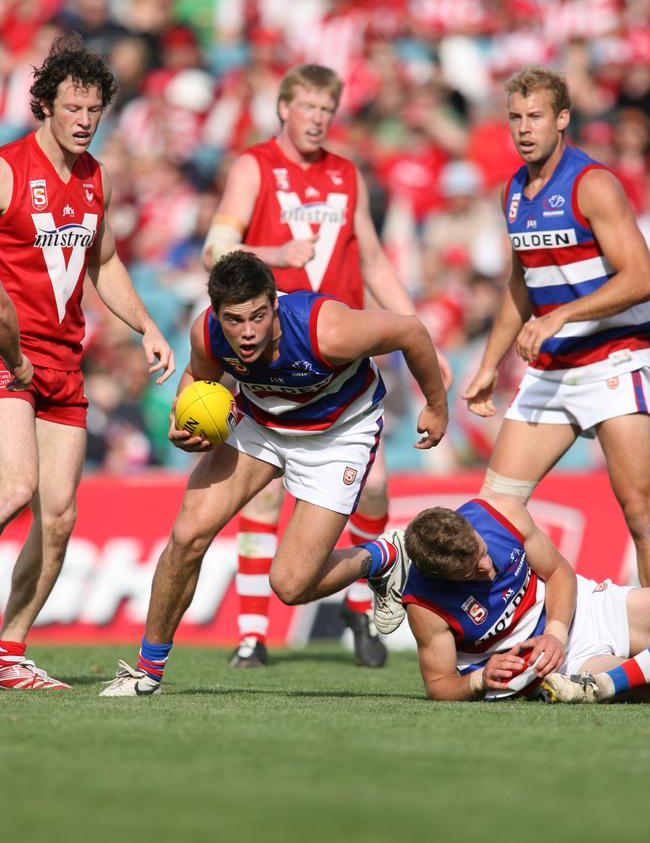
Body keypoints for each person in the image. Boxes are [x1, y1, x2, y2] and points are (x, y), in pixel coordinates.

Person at [99, 250, 448, 696]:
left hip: (338, 434)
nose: (247, 333)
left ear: (275, 303)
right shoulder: (208, 333)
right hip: (260, 423)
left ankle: (383, 556)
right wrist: (181, 417)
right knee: (187, 536)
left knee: (290, 584)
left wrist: (437, 407)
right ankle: (147, 673)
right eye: (234, 320)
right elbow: (197, 380)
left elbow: (412, 332)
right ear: (217, 313)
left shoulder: (327, 329)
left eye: (258, 316)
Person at [202, 63, 451, 668]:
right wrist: (274, 254)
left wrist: (417, 326)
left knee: (378, 489)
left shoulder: (345, 174)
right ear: (283, 108)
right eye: (307, 106)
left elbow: (371, 259)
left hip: (336, 356)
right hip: (269, 350)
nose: (316, 118)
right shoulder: (254, 165)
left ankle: (363, 613)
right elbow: (216, 247)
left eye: (326, 109)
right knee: (260, 497)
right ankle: (252, 634)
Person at [0, 34, 175, 690]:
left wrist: (149, 327)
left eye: (93, 110)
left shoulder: (96, 176)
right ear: (44, 105)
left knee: (61, 515)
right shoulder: (8, 168)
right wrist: (11, 351)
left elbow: (103, 263)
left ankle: (8, 652)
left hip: (62, 361)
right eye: (72, 107)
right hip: (5, 352)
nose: (83, 120)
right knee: (15, 488)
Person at [462, 65, 650, 586]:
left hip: (615, 361)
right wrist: (486, 365)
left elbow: (642, 276)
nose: (524, 129)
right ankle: (528, 620)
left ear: (562, 118)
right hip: (551, 372)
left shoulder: (593, 184)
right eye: (516, 118)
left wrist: (562, 315)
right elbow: (521, 285)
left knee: (640, 514)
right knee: (495, 510)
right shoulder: (514, 192)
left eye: (536, 117)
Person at [401, 495, 650, 704]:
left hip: (588, 608)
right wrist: (479, 679)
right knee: (641, 687)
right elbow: (438, 684)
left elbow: (557, 571)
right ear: (442, 577)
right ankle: (609, 682)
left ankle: (610, 681)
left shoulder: (501, 513)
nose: (487, 567)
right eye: (471, 571)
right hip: (554, 670)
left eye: (482, 551)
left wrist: (555, 634)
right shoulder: (425, 606)